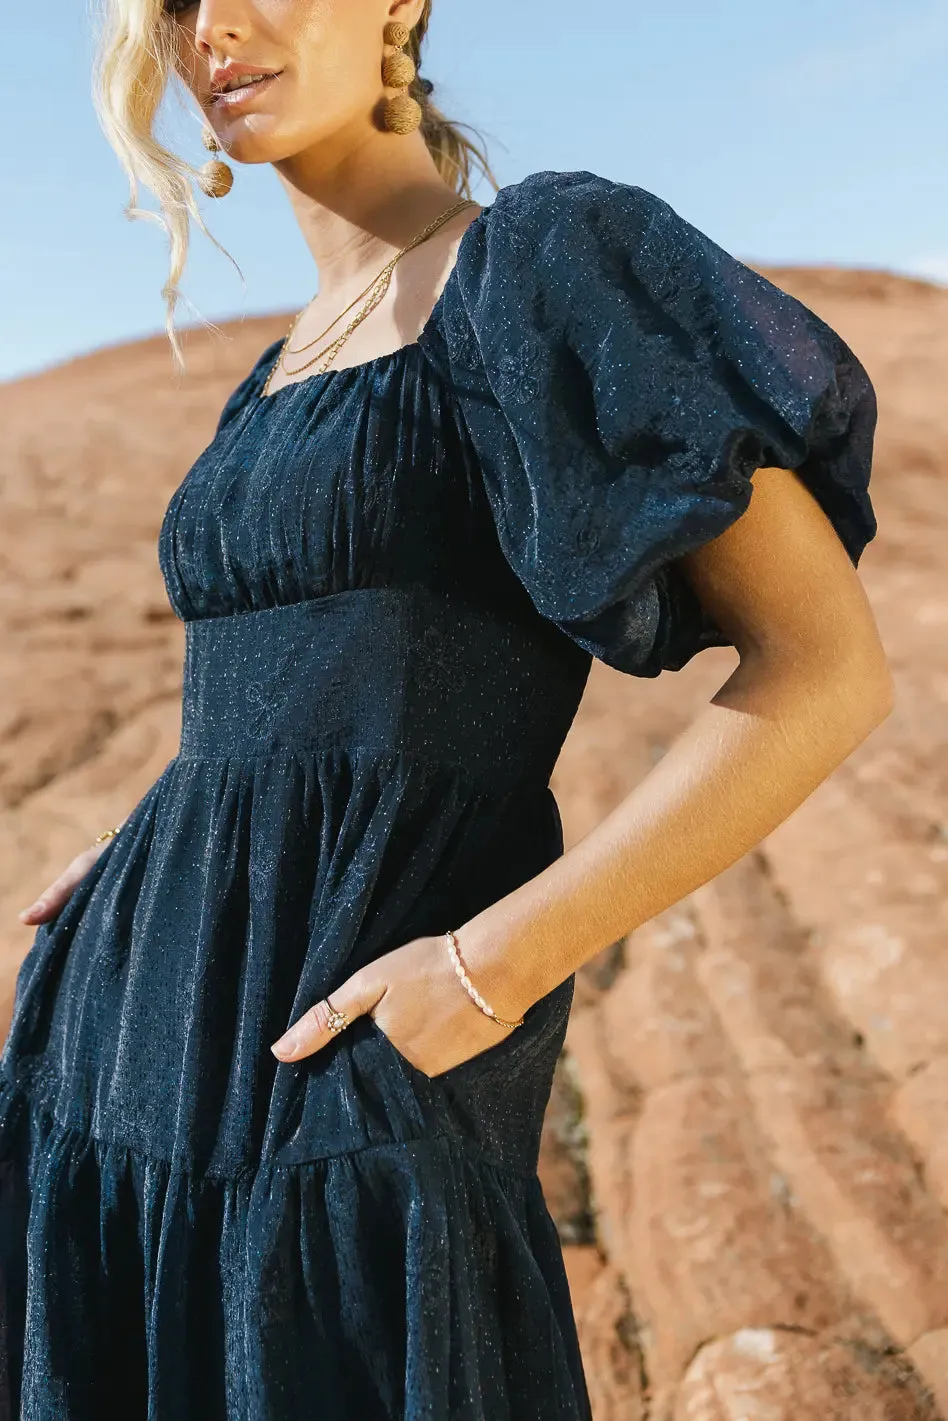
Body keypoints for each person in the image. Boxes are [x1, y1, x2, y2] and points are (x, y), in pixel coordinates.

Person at [0, 0, 894, 1416]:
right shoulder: (277, 368)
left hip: (344, 1089)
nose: (214, 29)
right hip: (120, 1061)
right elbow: (299, 683)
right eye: (173, 3)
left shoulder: (541, 262)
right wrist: (151, 843)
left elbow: (828, 668)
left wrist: (488, 972)